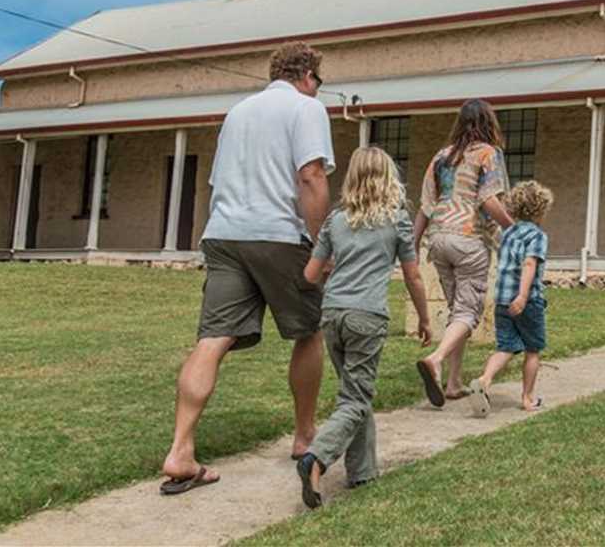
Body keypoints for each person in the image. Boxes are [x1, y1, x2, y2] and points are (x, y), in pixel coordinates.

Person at [160, 41, 334, 495]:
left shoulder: (238, 112)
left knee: (212, 339)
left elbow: (217, 180)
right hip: (278, 233)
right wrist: (323, 245)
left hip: (224, 232)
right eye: (319, 81)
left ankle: (180, 451)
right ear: (309, 76)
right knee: (308, 330)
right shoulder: (306, 109)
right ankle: (304, 436)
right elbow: (312, 175)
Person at [296, 146, 431, 508]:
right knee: (356, 398)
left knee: (355, 393)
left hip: (332, 314)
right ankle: (317, 458)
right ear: (389, 179)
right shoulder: (398, 220)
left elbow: (311, 274)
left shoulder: (335, 221)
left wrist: (337, 267)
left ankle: (364, 472)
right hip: (367, 317)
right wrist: (424, 317)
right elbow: (413, 276)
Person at [414, 99, 513, 408]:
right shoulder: (488, 154)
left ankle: (454, 382)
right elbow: (488, 200)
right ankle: (436, 359)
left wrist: (413, 244)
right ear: (489, 123)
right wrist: (513, 229)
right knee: (468, 313)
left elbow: (426, 207)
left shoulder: (441, 157)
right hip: (469, 240)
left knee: (458, 310)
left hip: (439, 240)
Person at [469, 180, 554, 417]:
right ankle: (527, 398)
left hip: (502, 300)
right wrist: (524, 295)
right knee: (533, 349)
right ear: (540, 210)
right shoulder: (537, 236)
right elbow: (529, 263)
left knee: (505, 346)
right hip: (527, 301)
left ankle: (484, 380)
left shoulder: (507, 234)